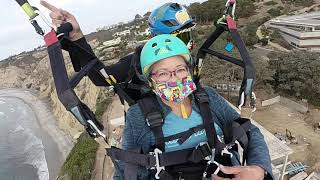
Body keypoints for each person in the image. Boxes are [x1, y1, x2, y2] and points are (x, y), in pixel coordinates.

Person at [40, 1, 273, 179]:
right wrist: (77, 38)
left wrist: (259, 169)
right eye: (162, 72)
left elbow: (248, 131)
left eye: (187, 34)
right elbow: (102, 77)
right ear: (148, 75)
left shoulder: (207, 96)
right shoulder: (137, 81)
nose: (187, 43)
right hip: (153, 124)